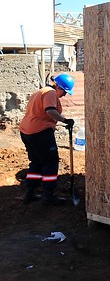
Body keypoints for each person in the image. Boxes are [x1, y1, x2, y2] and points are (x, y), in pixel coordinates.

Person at [19, 73, 75, 204]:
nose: (64, 95)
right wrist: (65, 120)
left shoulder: (41, 91)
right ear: (59, 87)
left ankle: (30, 193)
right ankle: (48, 195)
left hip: (27, 131)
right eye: (65, 92)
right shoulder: (50, 93)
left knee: (36, 162)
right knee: (51, 162)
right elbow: (50, 110)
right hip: (40, 133)